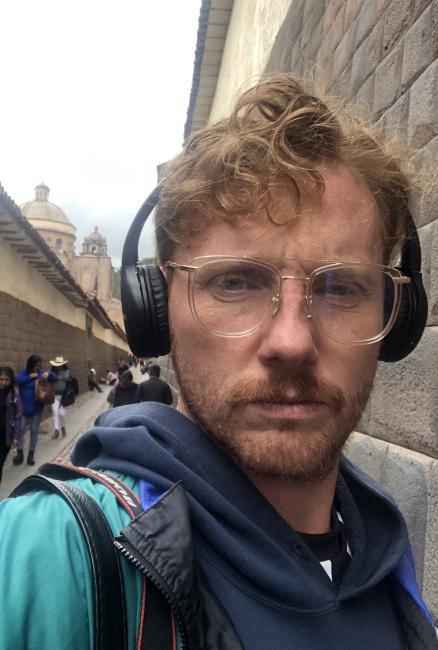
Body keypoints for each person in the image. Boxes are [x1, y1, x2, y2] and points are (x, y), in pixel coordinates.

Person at [0, 75, 437, 648]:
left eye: (340, 287)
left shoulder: (389, 557)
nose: (291, 343)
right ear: (157, 310)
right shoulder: (47, 555)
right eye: (234, 283)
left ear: (397, 318)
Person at [14, 354, 57, 466]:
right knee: (20, 431)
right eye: (36, 365)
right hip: (23, 410)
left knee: (34, 431)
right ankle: (20, 454)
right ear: (31, 365)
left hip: (37, 409)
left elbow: (54, 378)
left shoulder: (41, 373)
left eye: (39, 365)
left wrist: (48, 374)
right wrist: (30, 376)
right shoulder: (23, 373)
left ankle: (31, 455)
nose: (38, 367)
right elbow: (17, 381)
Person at [0, 367, 22, 483]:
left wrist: (16, 438)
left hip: (6, 435)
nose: (3, 382)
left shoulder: (14, 394)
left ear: (11, 380)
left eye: (6, 380)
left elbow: (18, 417)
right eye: (1, 379)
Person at [50, 356, 71, 439]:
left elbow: (66, 378)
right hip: (54, 394)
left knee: (61, 413)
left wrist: (56, 375)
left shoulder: (66, 371)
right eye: (57, 364)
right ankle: (56, 430)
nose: (59, 366)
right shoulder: (52, 372)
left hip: (64, 395)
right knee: (55, 411)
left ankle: (63, 427)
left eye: (60, 364)